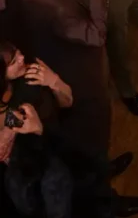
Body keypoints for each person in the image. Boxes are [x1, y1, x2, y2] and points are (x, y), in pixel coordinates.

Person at [19, 0, 138, 217]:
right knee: (90, 144)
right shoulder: (55, 8)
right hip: (80, 86)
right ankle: (106, 202)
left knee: (92, 146)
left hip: (73, 73)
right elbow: (95, 36)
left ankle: (103, 165)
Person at [0, 41, 75, 218]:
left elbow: (68, 102)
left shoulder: (30, 74)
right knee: (50, 178)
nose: (22, 58)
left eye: (19, 52)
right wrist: (13, 131)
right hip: (25, 159)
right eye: (13, 62)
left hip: (48, 139)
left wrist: (53, 81)